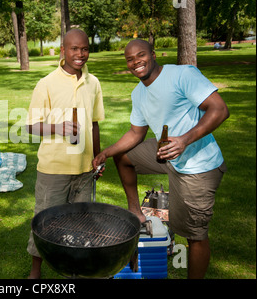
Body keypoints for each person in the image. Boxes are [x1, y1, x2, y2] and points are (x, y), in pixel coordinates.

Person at [92, 39, 229, 279]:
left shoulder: (182, 75)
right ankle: (136, 212)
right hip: (167, 154)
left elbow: (219, 109)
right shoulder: (139, 93)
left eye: (141, 55)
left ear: (153, 54)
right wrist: (106, 152)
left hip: (197, 166)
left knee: (194, 235)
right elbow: (136, 133)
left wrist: (184, 140)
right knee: (122, 156)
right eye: (130, 59)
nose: (136, 62)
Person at [25, 28, 105, 279]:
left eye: (85, 49)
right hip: (54, 169)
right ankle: (35, 271)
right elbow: (30, 125)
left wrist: (98, 158)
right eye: (74, 48)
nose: (80, 54)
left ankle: (75, 270)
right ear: (63, 50)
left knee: (81, 224)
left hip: (83, 169)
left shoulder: (93, 83)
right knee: (45, 222)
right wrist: (57, 128)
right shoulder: (46, 83)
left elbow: (94, 123)